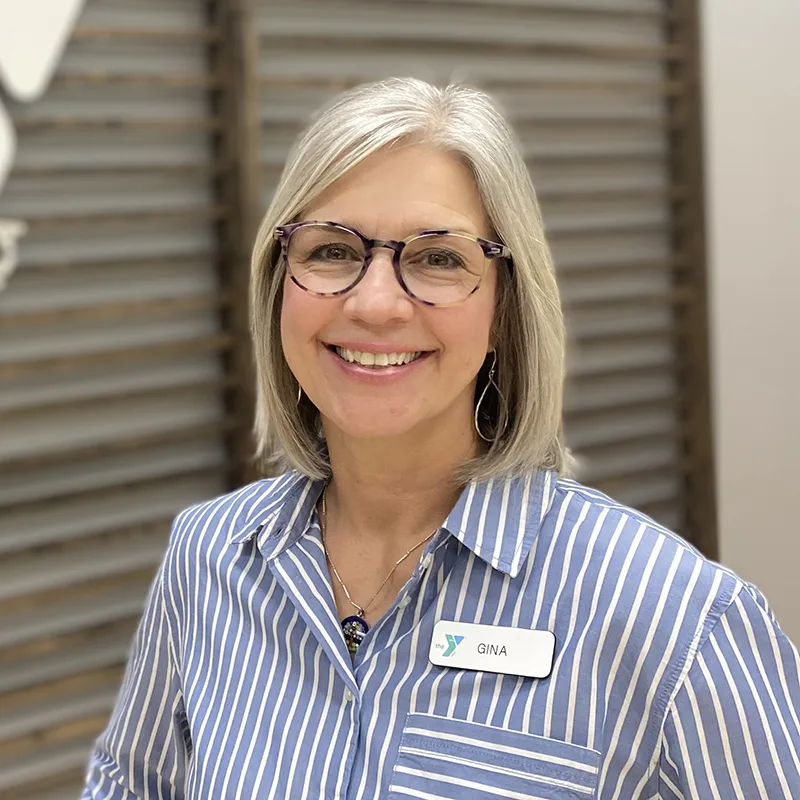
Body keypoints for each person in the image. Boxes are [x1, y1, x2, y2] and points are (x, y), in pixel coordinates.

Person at [82, 78, 800, 799]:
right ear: (279, 287)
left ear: (505, 308)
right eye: (331, 250)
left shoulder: (679, 619)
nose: (373, 303)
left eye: (438, 259)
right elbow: (131, 784)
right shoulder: (207, 558)